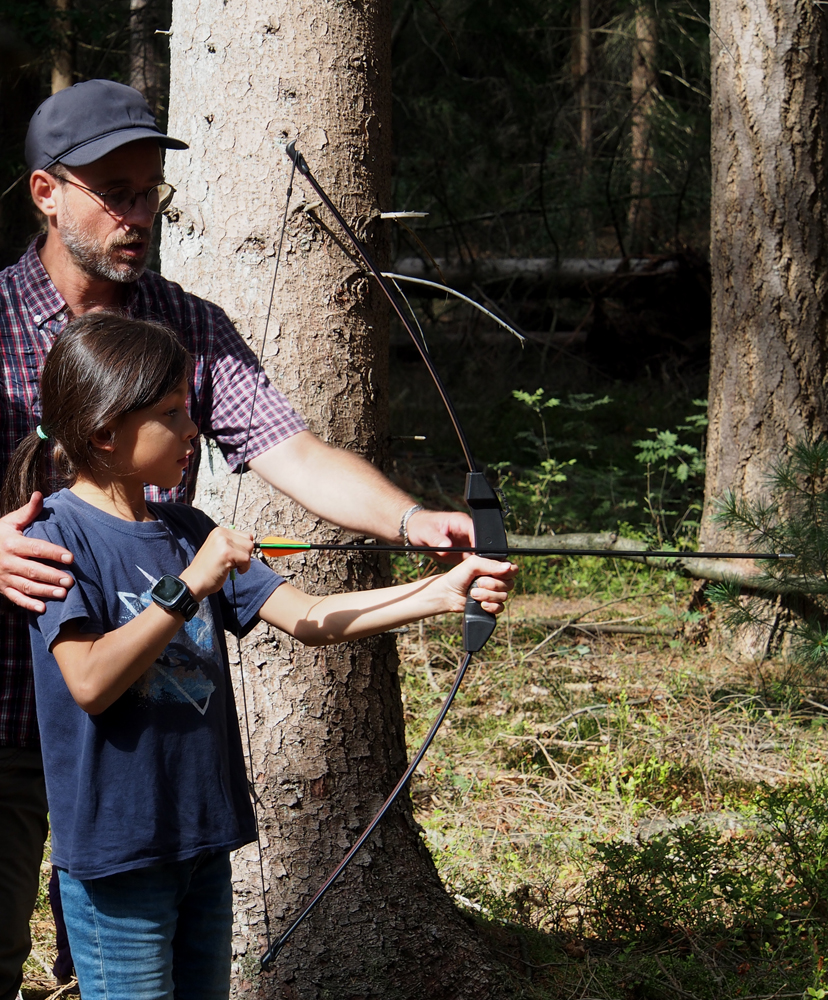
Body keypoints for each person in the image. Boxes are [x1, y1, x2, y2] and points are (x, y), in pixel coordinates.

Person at [0, 80, 475, 1000]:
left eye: (151, 193)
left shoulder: (186, 329)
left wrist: (418, 528)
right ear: (46, 193)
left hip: (143, 753)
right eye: (115, 191)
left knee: (106, 974)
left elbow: (289, 449)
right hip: (13, 715)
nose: (138, 215)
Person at [1, 313, 516, 1000]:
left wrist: (442, 593)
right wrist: (190, 587)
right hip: (118, 859)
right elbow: (90, 680)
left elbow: (309, 618)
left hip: (202, 842)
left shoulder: (189, 530)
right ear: (104, 433)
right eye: (172, 414)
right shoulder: (56, 537)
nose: (192, 431)